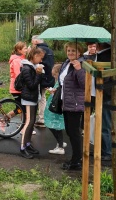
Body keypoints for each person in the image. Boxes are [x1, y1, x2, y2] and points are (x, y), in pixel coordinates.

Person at [60, 42, 86, 171]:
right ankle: (76, 158)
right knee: (70, 132)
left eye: (73, 51)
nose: (70, 53)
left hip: (75, 103)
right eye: (69, 50)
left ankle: (77, 161)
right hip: (66, 102)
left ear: (79, 52)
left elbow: (85, 84)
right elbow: (62, 80)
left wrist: (79, 70)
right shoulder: (66, 63)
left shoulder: (81, 64)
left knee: (74, 133)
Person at [17, 47, 45, 159]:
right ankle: (23, 147)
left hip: (33, 97)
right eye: (40, 58)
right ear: (34, 56)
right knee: (29, 122)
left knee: (32, 121)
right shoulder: (27, 69)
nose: (41, 61)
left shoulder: (32, 67)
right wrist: (38, 74)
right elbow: (32, 85)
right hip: (28, 98)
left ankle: (28, 144)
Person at [31, 36, 55, 128]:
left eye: (32, 41)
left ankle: (41, 119)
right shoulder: (50, 50)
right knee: (43, 97)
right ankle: (42, 118)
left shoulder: (38, 50)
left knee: (40, 98)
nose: (32, 43)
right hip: (49, 77)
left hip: (41, 77)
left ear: (36, 41)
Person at [45, 63, 67, 154]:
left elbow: (60, 93)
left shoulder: (61, 82)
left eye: (55, 75)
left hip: (56, 107)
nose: (54, 77)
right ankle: (60, 142)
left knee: (54, 125)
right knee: (56, 125)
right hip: (56, 106)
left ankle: (60, 146)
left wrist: (54, 91)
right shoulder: (61, 81)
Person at [9, 41, 28, 109]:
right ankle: (7, 116)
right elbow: (18, 75)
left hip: (19, 87)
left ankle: (8, 116)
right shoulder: (17, 60)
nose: (27, 50)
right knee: (21, 108)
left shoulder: (21, 59)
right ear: (19, 50)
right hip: (17, 87)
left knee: (21, 108)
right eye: (25, 48)